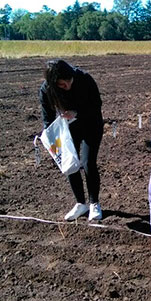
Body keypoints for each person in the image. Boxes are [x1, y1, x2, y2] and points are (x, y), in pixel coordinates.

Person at [39, 59, 104, 221]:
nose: (67, 86)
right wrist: (51, 138)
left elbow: (97, 104)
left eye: (69, 81)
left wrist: (77, 113)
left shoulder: (85, 78)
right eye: (62, 84)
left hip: (91, 124)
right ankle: (80, 204)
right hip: (68, 129)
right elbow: (48, 119)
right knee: (70, 163)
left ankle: (94, 203)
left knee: (88, 162)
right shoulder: (46, 90)